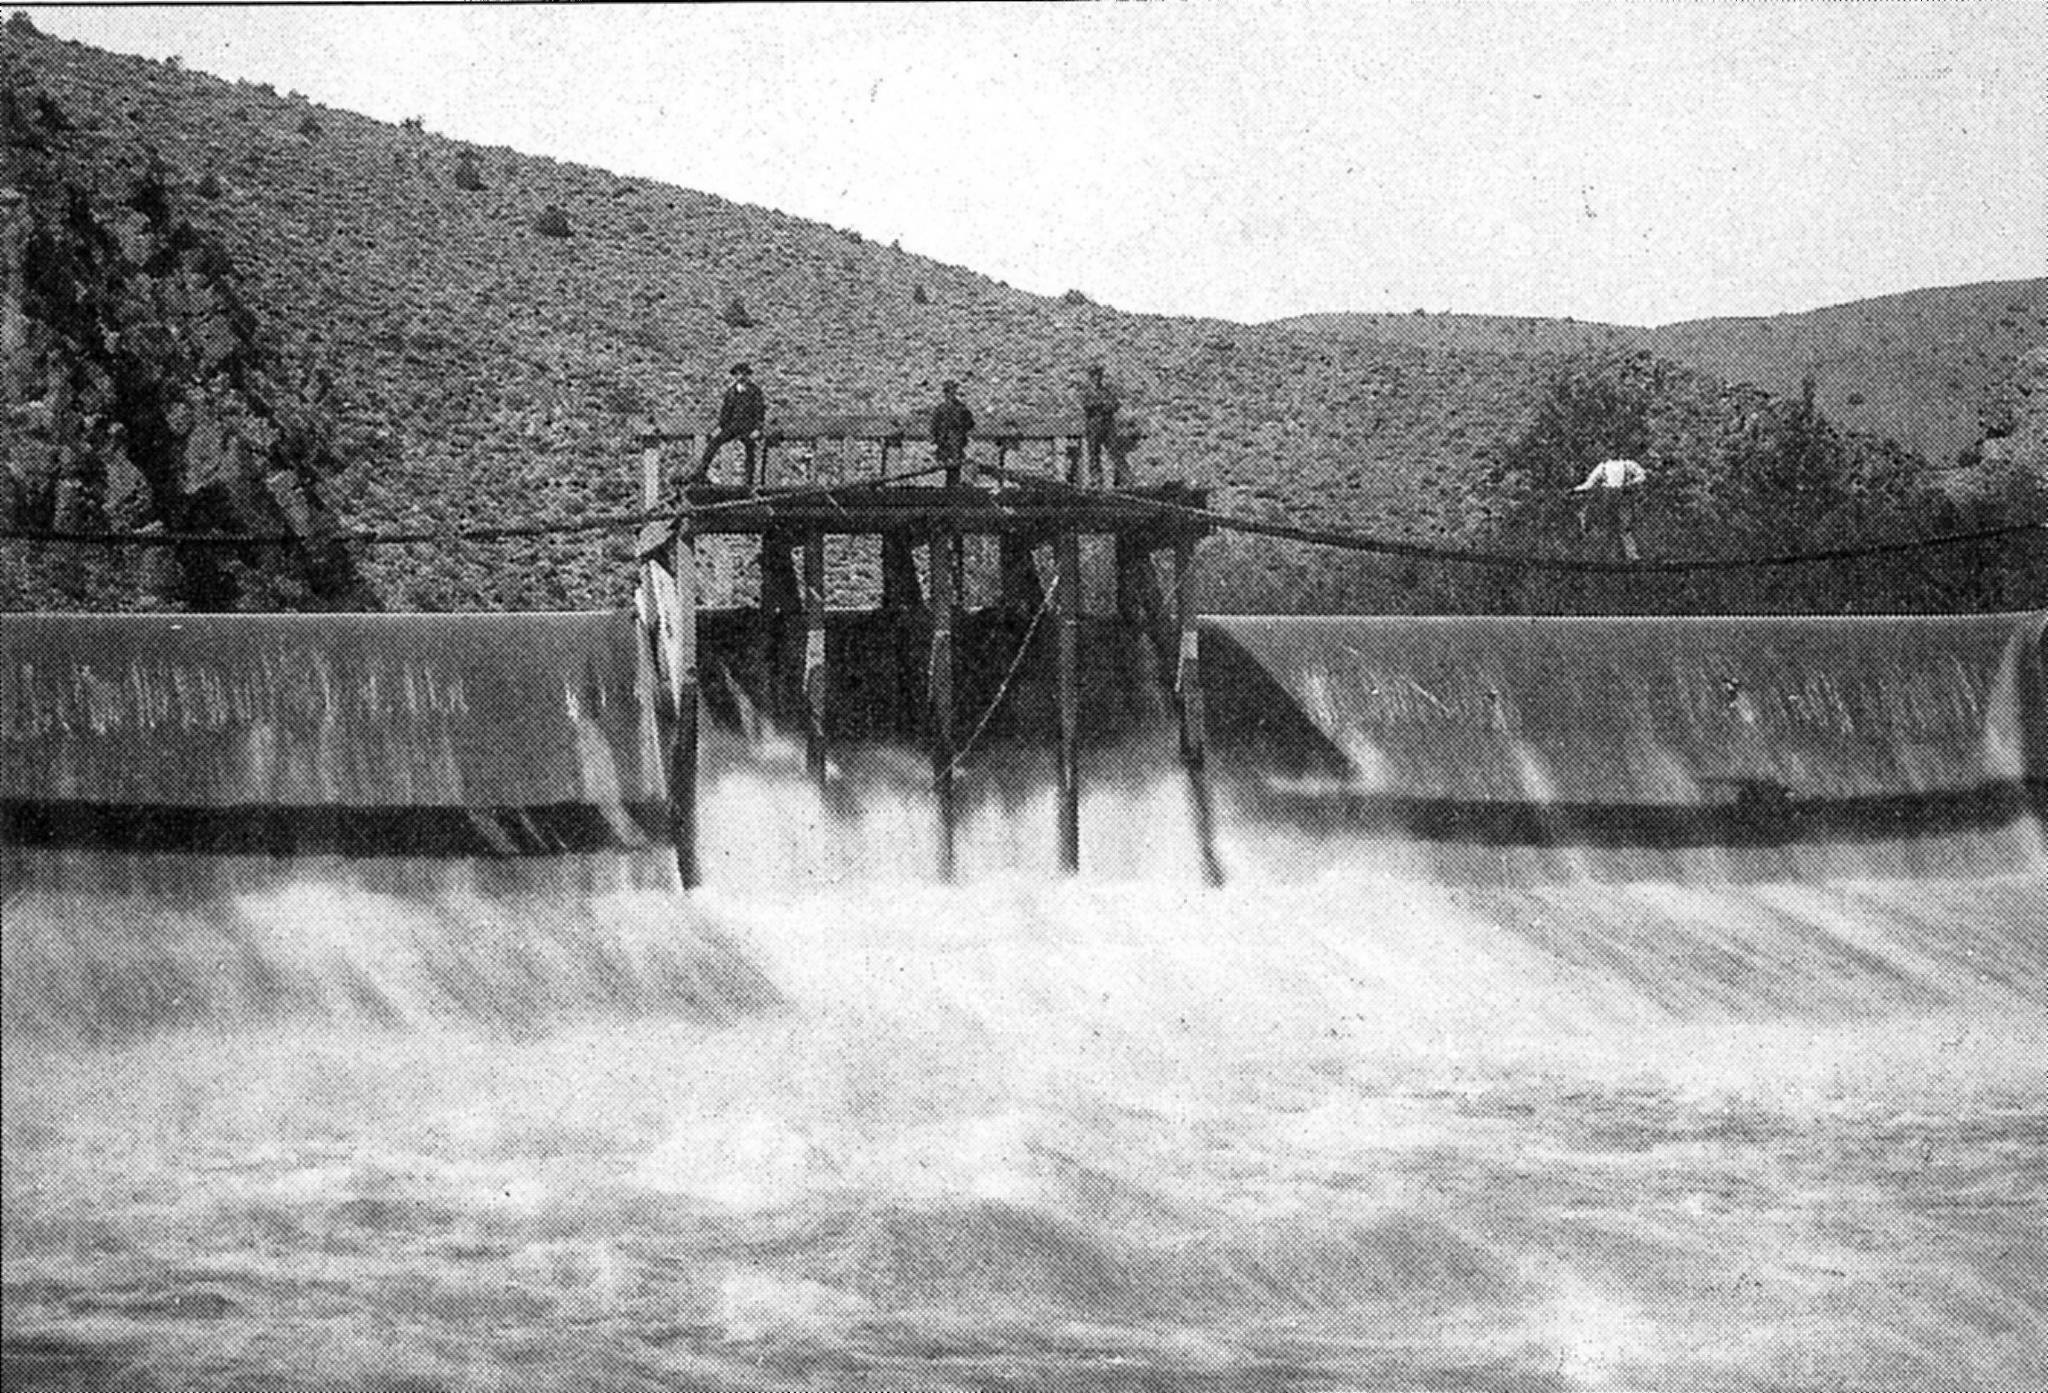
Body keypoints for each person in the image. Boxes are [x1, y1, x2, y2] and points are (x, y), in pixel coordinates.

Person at [689, 362, 766, 485]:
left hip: (748, 427)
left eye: (743, 374)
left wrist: (757, 429)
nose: (740, 377)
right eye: (737, 374)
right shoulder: (731, 392)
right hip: (733, 426)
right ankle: (701, 472)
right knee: (714, 442)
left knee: (750, 447)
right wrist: (719, 428)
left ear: (747, 376)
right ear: (734, 376)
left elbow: (760, 412)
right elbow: (725, 413)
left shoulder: (755, 391)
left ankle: (749, 481)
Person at [1570, 455, 1647, 560]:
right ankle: (1605, 556)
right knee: (1607, 526)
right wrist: (1576, 489)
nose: (1613, 452)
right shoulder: (1603, 466)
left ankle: (1631, 555)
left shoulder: (1628, 464)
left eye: (1615, 449)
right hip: (1608, 497)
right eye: (1611, 449)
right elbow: (1590, 482)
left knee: (1625, 527)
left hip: (1623, 495)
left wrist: (1631, 483)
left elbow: (1642, 475)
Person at [929, 379, 975, 486]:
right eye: (947, 391)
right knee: (945, 464)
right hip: (943, 441)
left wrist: (960, 429)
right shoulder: (940, 408)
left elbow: (970, 423)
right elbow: (934, 425)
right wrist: (935, 438)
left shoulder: (961, 408)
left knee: (955, 464)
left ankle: (953, 487)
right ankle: (948, 488)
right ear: (945, 393)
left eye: (951, 391)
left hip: (956, 440)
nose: (949, 394)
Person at [1080, 362, 1120, 484]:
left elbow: (1116, 404)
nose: (1096, 378)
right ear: (1090, 377)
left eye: (1098, 375)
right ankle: (1095, 477)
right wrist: (1100, 404)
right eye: (1093, 375)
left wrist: (1107, 406)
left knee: (1112, 449)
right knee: (1093, 451)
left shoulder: (1106, 391)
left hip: (1107, 424)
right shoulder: (1087, 391)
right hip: (1094, 424)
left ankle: (1114, 476)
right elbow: (1086, 405)